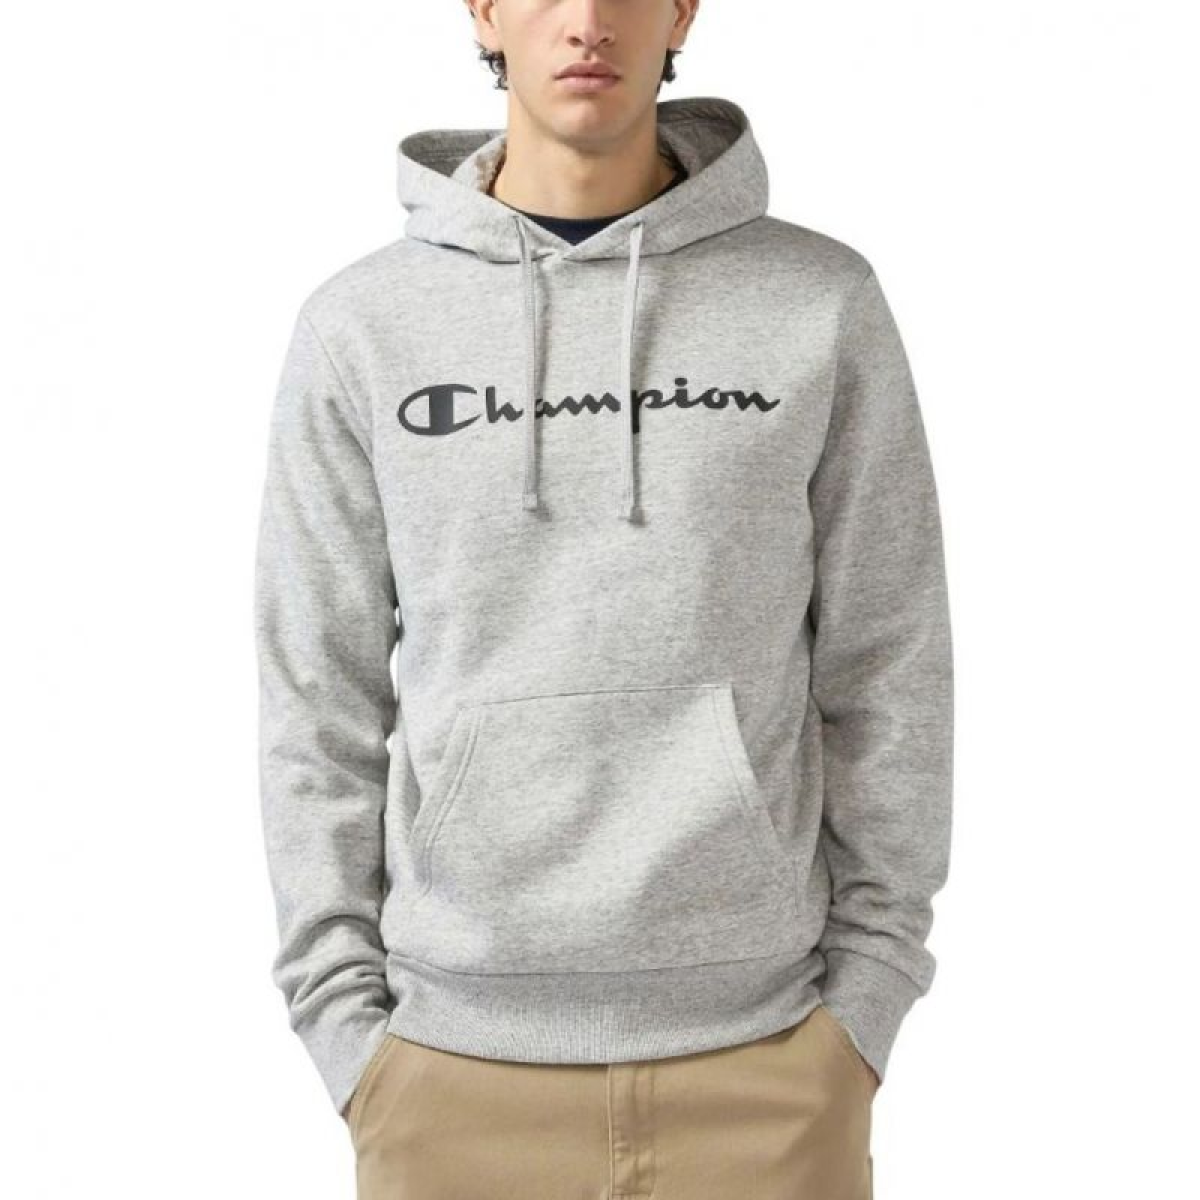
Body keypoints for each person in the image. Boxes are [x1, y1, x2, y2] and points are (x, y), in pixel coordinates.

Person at [253, 2, 954, 1196]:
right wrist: (345, 1030)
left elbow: (890, 656)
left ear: (682, 9)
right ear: (483, 7)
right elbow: (315, 691)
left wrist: (869, 1001)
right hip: (450, 1071)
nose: (587, 20)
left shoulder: (817, 302)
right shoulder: (362, 328)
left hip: (771, 1059)